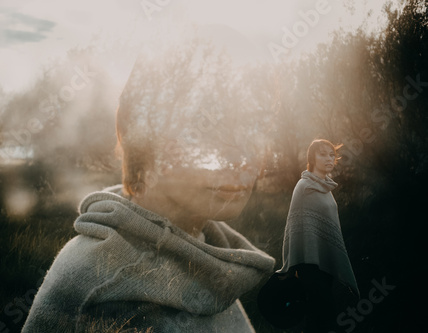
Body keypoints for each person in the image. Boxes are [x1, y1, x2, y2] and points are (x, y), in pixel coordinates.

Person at [22, 27, 275, 333]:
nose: (239, 157)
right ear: (139, 132)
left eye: (252, 126)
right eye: (204, 125)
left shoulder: (209, 256)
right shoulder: (105, 296)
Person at [276, 139, 359, 332]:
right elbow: (294, 227)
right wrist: (294, 261)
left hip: (325, 261)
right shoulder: (304, 187)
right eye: (323, 154)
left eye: (332, 155)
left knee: (323, 314)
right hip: (309, 263)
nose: (329, 158)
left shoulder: (326, 188)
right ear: (312, 158)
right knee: (321, 313)